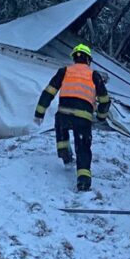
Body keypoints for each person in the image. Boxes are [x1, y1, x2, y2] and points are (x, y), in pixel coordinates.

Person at [34, 44, 111, 191]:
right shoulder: (94, 75)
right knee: (83, 148)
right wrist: (101, 117)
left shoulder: (65, 71)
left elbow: (49, 92)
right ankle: (83, 181)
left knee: (61, 128)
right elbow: (105, 100)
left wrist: (39, 113)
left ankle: (65, 154)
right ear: (88, 60)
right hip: (83, 118)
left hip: (63, 113)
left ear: (74, 58)